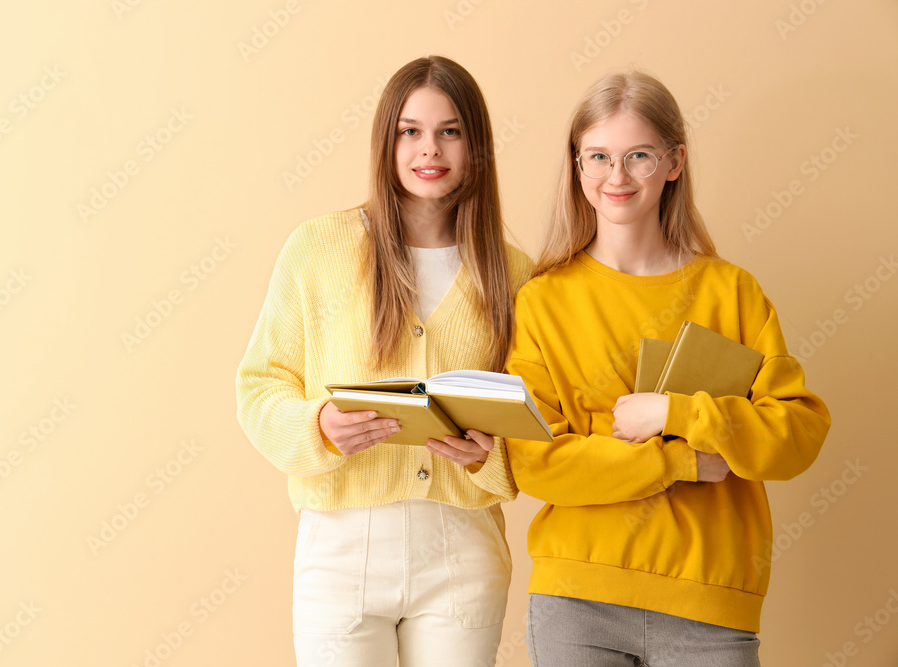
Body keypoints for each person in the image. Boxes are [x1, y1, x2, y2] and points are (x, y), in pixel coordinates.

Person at [505, 71, 831, 666]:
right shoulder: (542, 301)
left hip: (709, 604)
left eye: (638, 156)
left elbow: (798, 436)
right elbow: (536, 462)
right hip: (576, 601)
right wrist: (683, 457)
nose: (616, 176)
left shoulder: (732, 293)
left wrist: (678, 413)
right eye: (598, 156)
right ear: (577, 167)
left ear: (675, 161)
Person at [236, 55, 533, 666]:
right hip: (341, 544)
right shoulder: (320, 248)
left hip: (462, 550)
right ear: (386, 140)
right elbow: (259, 386)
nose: (431, 149)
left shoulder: (513, 273)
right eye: (411, 131)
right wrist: (316, 425)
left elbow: (538, 414)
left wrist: (491, 455)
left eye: (451, 131)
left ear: (475, 145)